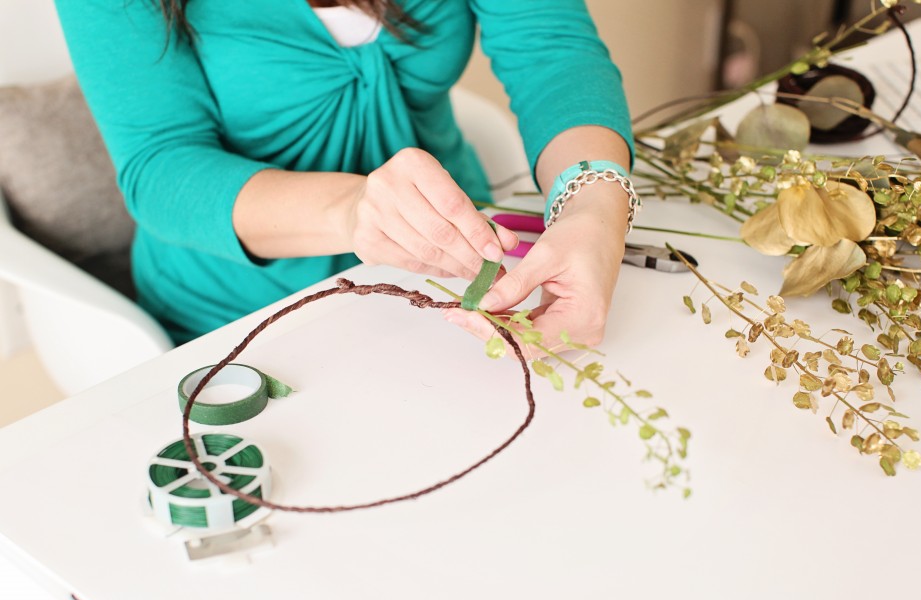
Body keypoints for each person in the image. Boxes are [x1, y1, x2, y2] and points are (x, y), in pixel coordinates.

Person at [54, 0, 635, 349]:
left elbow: (553, 54)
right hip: (236, 314)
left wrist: (594, 211)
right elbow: (163, 166)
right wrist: (352, 209)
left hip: (455, 269)